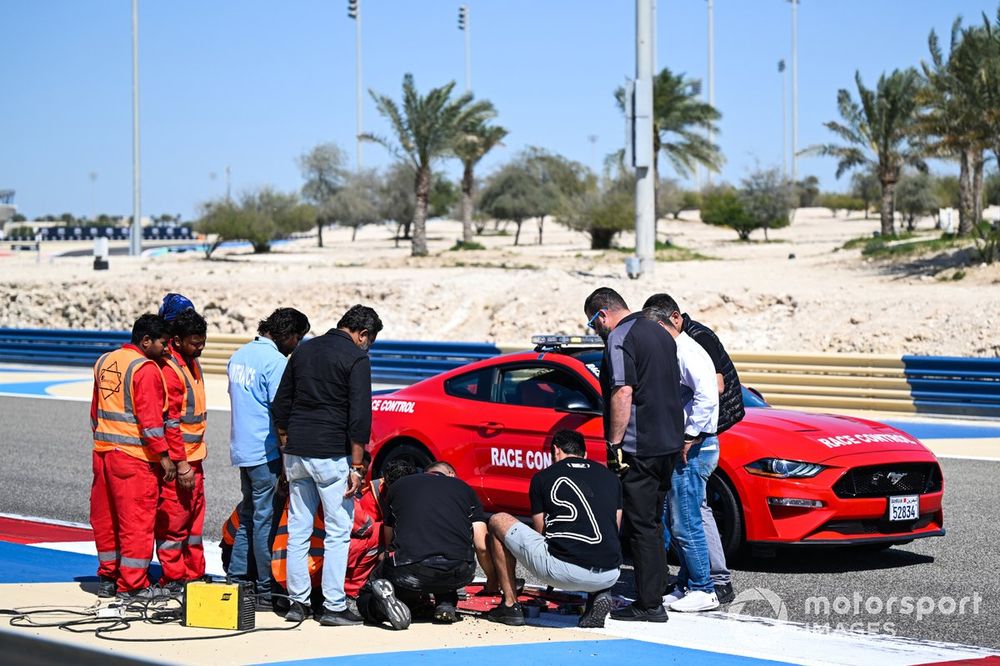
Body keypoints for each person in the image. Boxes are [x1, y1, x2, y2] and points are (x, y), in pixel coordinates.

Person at [272, 304, 383, 626]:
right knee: (337, 532)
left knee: (298, 531)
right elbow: (360, 416)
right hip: (331, 454)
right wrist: (358, 467)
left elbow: (282, 405)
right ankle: (334, 606)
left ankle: (297, 603)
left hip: (296, 452)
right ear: (362, 333)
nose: (367, 346)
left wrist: (286, 446)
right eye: (369, 340)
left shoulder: (304, 351)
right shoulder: (356, 358)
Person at [583, 287, 684, 622]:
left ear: (602, 314)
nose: (594, 331)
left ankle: (649, 604)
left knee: (640, 525)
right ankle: (654, 592)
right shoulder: (659, 331)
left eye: (592, 323)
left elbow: (623, 391)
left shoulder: (619, 338)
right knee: (653, 523)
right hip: (668, 442)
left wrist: (614, 444)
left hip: (639, 446)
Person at [643, 293, 742, 604]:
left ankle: (704, 588)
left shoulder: (688, 349)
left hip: (696, 448)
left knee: (687, 522)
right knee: (678, 520)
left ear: (667, 321)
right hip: (688, 445)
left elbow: (709, 396)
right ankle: (687, 584)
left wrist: (690, 436)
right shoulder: (677, 348)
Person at [484, 430, 623, 628]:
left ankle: (510, 606)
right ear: (585, 453)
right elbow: (614, 528)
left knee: (498, 520)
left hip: (563, 571)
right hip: (610, 573)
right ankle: (598, 593)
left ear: (556, 450)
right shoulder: (611, 478)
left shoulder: (543, 477)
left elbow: (541, 533)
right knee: (599, 542)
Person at [227, 307, 311, 609]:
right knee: (264, 521)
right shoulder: (275, 363)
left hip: (243, 451)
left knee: (249, 517)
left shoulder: (239, 356)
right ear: (287, 335)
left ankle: (236, 581)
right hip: (266, 453)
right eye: (298, 339)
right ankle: (264, 590)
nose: (297, 346)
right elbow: (282, 415)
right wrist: (289, 461)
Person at [90, 314, 176, 599]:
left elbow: (95, 412)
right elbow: (150, 422)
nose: (167, 348)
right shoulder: (146, 369)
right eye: (163, 342)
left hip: (103, 454)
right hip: (133, 457)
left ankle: (108, 577)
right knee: (136, 522)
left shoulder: (105, 360)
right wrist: (164, 457)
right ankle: (134, 584)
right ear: (146, 340)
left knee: (107, 519)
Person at [358, 461, 489, 629]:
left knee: (372, 592)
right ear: (451, 474)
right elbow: (482, 546)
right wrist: (492, 581)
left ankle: (378, 607)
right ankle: (445, 605)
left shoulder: (399, 487)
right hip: (460, 571)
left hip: (411, 568)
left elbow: (389, 541)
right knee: (446, 563)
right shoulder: (465, 489)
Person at [156, 309, 208, 591]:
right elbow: (170, 423)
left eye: (202, 341)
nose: (200, 347)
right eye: (194, 342)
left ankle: (193, 572)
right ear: (176, 340)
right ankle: (173, 577)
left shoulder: (191, 362)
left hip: (196, 456)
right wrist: (181, 463)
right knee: (175, 523)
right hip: (182, 461)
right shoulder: (171, 369)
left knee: (194, 522)